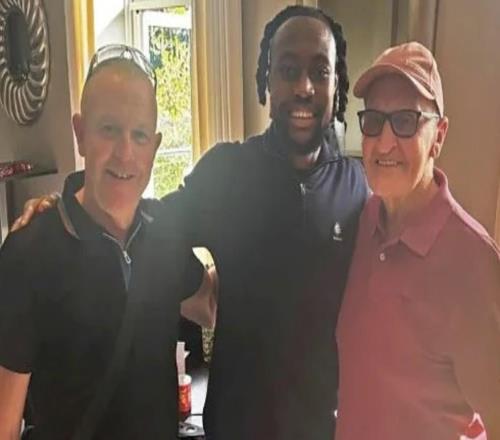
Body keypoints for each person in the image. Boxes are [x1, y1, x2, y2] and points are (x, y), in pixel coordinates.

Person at [14, 6, 368, 439]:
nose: (304, 87)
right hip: (235, 430)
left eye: (320, 71)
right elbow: (142, 216)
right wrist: (63, 206)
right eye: (288, 70)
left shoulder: (358, 189)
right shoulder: (228, 173)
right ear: (267, 81)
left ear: (337, 83)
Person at [0, 45, 215, 440]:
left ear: (155, 146)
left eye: (139, 135)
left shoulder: (165, 233)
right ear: (80, 134)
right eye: (109, 130)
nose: (125, 153)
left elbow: (212, 304)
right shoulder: (29, 252)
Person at [336, 41, 500, 440]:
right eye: (373, 121)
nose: (385, 142)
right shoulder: (364, 221)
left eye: (406, 121)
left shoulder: (473, 262)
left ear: (438, 136)